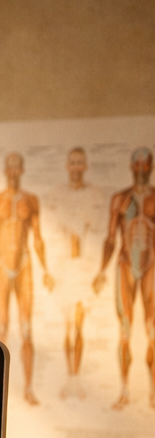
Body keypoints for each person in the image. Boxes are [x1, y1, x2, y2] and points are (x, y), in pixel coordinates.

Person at [0, 152, 55, 405]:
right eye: (11, 168)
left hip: (24, 264)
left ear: (22, 170)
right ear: (5, 171)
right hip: (0, 264)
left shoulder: (31, 200)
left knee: (26, 328)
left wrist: (46, 269)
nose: (14, 172)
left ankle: (28, 389)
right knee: (2, 328)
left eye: (18, 168)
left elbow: (38, 237)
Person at [93, 146, 155, 409]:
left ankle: (152, 391)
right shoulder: (119, 199)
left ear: (150, 167)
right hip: (126, 264)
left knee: (153, 329)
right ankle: (125, 390)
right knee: (126, 330)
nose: (141, 168)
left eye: (145, 164)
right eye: (137, 164)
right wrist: (101, 270)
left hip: (152, 265)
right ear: (131, 167)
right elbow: (110, 238)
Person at [44, 147, 107, 398]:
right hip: (63, 270)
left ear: (86, 166)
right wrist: (49, 271)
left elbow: (100, 236)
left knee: (79, 326)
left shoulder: (95, 195)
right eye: (73, 163)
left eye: (81, 163)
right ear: (67, 166)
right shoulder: (55, 196)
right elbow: (49, 236)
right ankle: (68, 379)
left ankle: (76, 378)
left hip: (83, 269)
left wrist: (99, 271)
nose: (76, 167)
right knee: (67, 325)